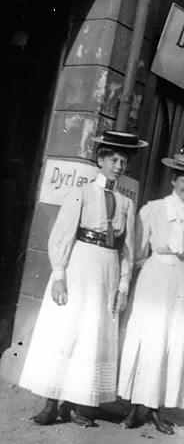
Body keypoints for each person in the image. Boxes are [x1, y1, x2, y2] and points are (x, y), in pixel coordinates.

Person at [20, 130, 148, 426]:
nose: (119, 166)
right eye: (114, 160)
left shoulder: (126, 204)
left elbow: (128, 250)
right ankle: (50, 403)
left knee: (93, 333)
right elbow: (63, 233)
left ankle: (78, 405)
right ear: (101, 160)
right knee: (67, 328)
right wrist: (59, 274)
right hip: (79, 265)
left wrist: (123, 287)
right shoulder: (82, 192)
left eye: (123, 161)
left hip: (107, 271)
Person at [118, 153, 184, 434]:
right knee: (148, 336)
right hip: (154, 275)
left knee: (172, 339)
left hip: (181, 280)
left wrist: (183, 271)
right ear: (173, 181)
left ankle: (156, 408)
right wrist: (153, 266)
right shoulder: (153, 209)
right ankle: (136, 405)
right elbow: (137, 247)